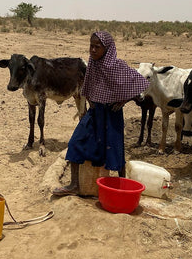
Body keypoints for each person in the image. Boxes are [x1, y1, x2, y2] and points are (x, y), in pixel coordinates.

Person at [52, 31, 149, 196]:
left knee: (115, 149)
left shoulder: (118, 66)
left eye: (97, 47)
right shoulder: (93, 64)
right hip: (94, 112)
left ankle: (122, 187)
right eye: (91, 46)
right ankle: (74, 185)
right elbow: (88, 86)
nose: (93, 50)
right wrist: (90, 104)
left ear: (108, 48)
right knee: (76, 141)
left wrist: (123, 100)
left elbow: (139, 84)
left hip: (111, 114)